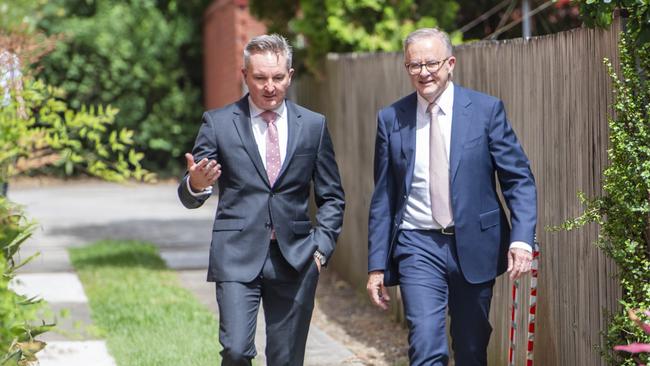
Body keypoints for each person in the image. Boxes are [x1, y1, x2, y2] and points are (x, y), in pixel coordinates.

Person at [366, 28, 537, 366]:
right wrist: (376, 266)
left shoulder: (486, 111)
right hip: (417, 244)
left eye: (431, 63)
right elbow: (384, 197)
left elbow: (519, 180)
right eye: (414, 65)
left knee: (471, 347)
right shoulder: (391, 119)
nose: (424, 72)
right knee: (426, 343)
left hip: (474, 244)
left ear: (451, 63)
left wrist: (521, 239)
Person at [178, 34, 345, 366]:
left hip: (296, 258)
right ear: (245, 76)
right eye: (260, 78)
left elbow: (332, 196)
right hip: (236, 255)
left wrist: (320, 249)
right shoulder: (220, 123)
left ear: (290, 76)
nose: (270, 87)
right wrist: (196, 184)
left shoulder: (313, 126)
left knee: (286, 359)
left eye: (278, 77)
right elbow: (190, 193)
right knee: (236, 350)